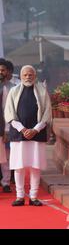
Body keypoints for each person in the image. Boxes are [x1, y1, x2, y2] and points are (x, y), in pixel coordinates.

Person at [4, 65, 52, 206]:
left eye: (30, 75)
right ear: (21, 76)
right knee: (19, 166)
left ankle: (33, 196)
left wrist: (35, 129)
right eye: (25, 75)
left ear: (35, 76)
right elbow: (9, 113)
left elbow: (47, 114)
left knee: (35, 166)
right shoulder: (13, 91)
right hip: (19, 134)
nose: (28, 77)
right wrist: (23, 129)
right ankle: (19, 196)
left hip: (37, 135)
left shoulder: (42, 92)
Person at [0, 59, 15, 193]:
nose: (1, 73)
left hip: (2, 126)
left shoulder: (8, 88)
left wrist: (6, 130)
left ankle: (6, 182)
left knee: (4, 156)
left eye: (3, 70)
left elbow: (6, 109)